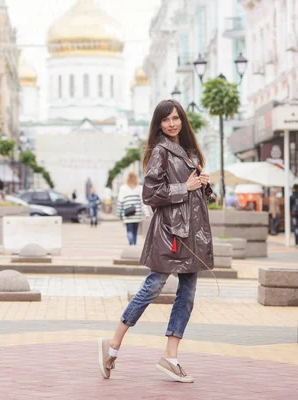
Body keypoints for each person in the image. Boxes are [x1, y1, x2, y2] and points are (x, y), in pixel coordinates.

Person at [99, 99, 214, 383]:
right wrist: (184, 186)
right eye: (166, 120)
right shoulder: (159, 152)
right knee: (152, 287)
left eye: (175, 118)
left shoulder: (189, 152)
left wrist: (204, 185)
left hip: (193, 232)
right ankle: (112, 346)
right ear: (159, 124)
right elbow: (150, 195)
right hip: (171, 232)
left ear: (182, 120)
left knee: (186, 296)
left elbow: (194, 196)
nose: (172, 123)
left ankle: (170, 356)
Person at [117, 172, 147, 245]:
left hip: (127, 213)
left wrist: (119, 214)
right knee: (135, 231)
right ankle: (134, 244)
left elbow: (120, 202)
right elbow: (143, 202)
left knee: (129, 230)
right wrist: (146, 213)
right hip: (137, 213)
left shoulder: (123, 188)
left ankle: (131, 244)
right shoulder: (140, 188)